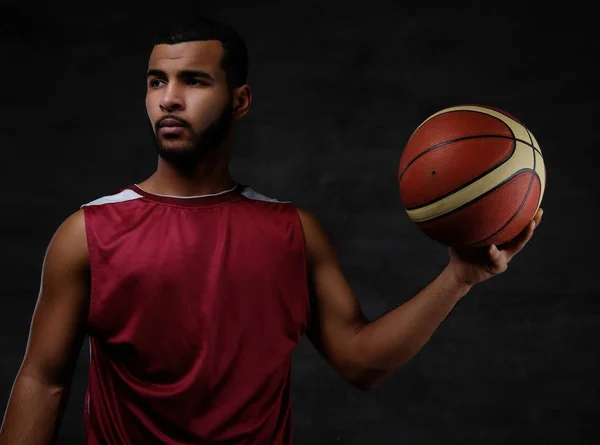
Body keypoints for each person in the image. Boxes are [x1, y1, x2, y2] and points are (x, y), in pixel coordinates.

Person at [0, 16, 543, 445]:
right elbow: (41, 381)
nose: (169, 98)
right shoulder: (86, 232)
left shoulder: (293, 232)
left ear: (240, 100)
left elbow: (360, 362)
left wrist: (460, 276)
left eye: (194, 80)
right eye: (156, 81)